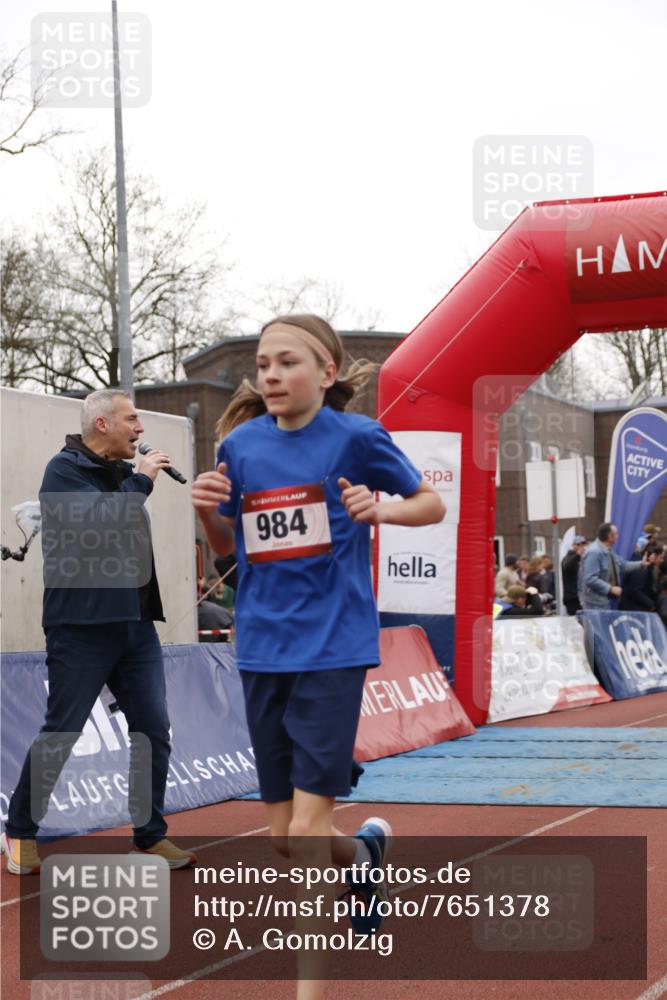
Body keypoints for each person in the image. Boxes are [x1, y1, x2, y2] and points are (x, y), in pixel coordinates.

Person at [192, 314, 445, 997]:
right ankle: (361, 854)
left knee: (305, 830)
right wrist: (207, 509)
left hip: (332, 647)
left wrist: (380, 511)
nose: (270, 375)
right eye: (262, 365)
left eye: (286, 363)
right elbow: (224, 548)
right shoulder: (240, 446)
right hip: (261, 649)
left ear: (327, 373)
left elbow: (431, 504)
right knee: (284, 836)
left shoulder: (356, 438)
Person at [0, 390, 196, 874]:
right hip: (81, 628)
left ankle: (149, 837)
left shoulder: (121, 474)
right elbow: (103, 526)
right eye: (132, 419)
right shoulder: (63, 471)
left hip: (134, 626)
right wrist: (143, 481)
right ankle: (20, 831)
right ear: (102, 424)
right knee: (62, 732)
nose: (140, 429)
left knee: (153, 729)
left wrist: (135, 480)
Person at [580, 522, 630, 610]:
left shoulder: (609, 551)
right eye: (616, 534)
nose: (618, 536)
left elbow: (623, 565)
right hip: (595, 604)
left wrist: (642, 564)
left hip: (603, 601)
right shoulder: (594, 552)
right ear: (610, 536)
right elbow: (590, 578)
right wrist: (610, 588)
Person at [619, 542, 664, 612]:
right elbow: (635, 591)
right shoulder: (641, 568)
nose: (662, 560)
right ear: (653, 555)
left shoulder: (648, 566)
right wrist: (651, 605)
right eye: (660, 557)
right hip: (632, 609)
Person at [561, 535, 587, 616]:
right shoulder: (568, 557)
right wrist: (577, 555)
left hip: (581, 597)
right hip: (572, 598)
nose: (581, 547)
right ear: (573, 545)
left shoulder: (582, 558)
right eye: (578, 544)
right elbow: (566, 566)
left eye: (583, 544)